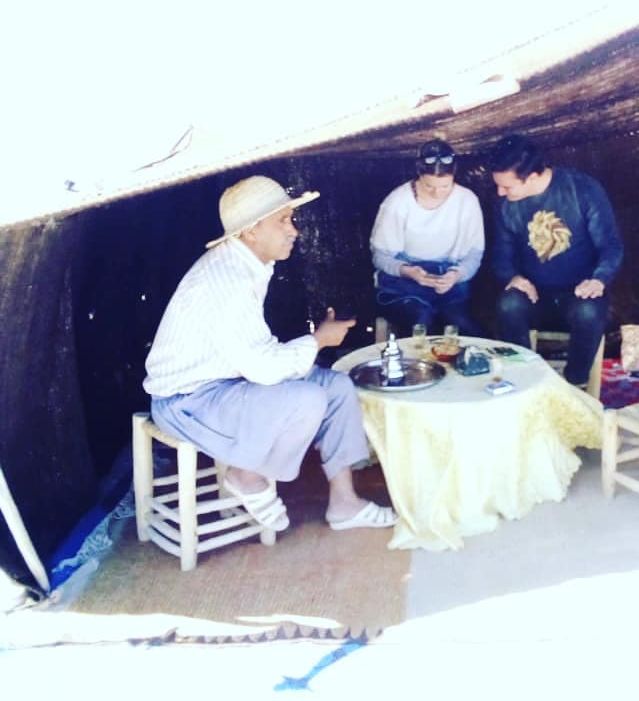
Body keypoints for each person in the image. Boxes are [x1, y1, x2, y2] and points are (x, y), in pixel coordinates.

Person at [143, 175, 396, 533]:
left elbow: (254, 355)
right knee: (306, 400)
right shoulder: (230, 282)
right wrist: (318, 341)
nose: (293, 230)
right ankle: (246, 474)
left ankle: (344, 504)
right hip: (187, 402)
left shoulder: (247, 263)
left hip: (229, 382)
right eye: (283, 221)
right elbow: (263, 369)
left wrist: (316, 342)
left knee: (337, 388)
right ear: (251, 231)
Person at [485, 133, 623, 387]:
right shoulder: (506, 205)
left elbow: (610, 245)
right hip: (536, 296)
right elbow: (501, 257)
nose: (500, 192)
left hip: (579, 293)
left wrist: (599, 279)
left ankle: (574, 384)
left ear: (532, 177)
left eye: (507, 186)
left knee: (587, 311)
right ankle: (523, 380)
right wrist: (513, 277)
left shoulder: (582, 189)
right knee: (508, 305)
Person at [370, 138, 485, 336]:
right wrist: (408, 271)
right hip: (405, 281)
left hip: (448, 279)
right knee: (421, 321)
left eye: (445, 186)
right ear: (419, 175)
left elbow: (474, 255)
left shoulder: (467, 201)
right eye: (429, 186)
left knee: (464, 326)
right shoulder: (397, 202)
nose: (437, 193)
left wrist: (456, 275)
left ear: (453, 176)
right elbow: (380, 257)